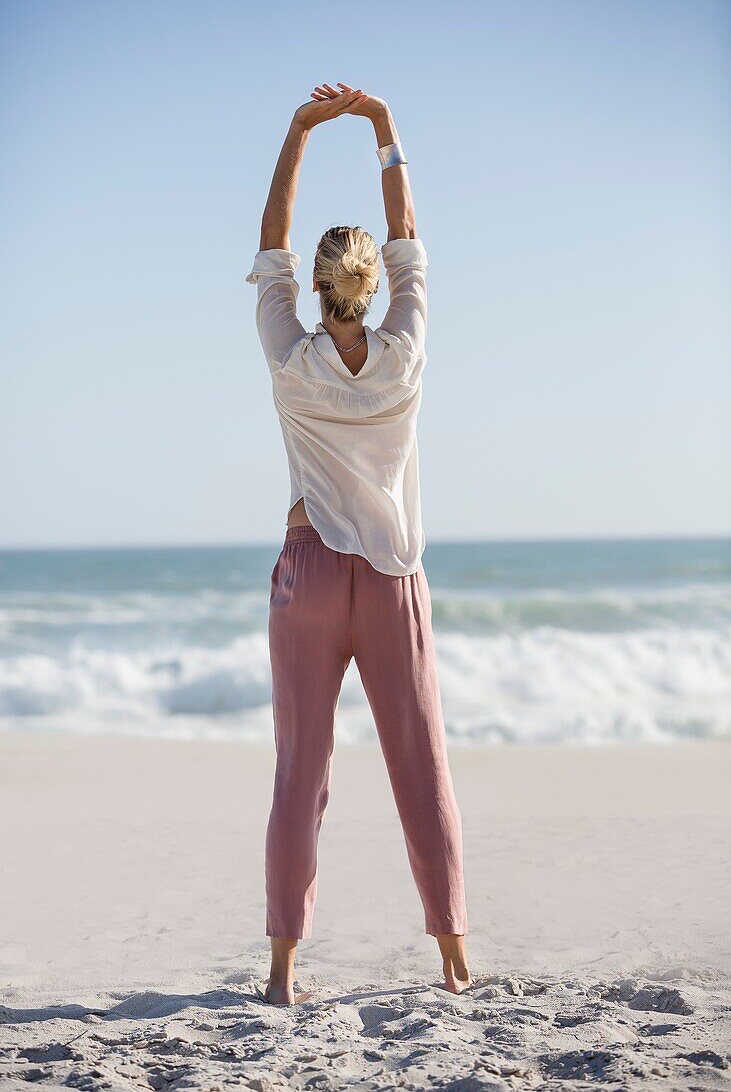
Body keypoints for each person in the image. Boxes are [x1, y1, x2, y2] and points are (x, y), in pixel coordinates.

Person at [246, 82, 470, 1005]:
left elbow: (270, 247)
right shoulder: (406, 350)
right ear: (374, 285)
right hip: (391, 578)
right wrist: (383, 127)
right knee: (419, 758)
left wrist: (298, 131)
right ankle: (455, 956)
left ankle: (283, 971)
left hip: (308, 572)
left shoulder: (288, 356)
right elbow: (410, 236)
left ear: (322, 284)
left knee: (302, 768)